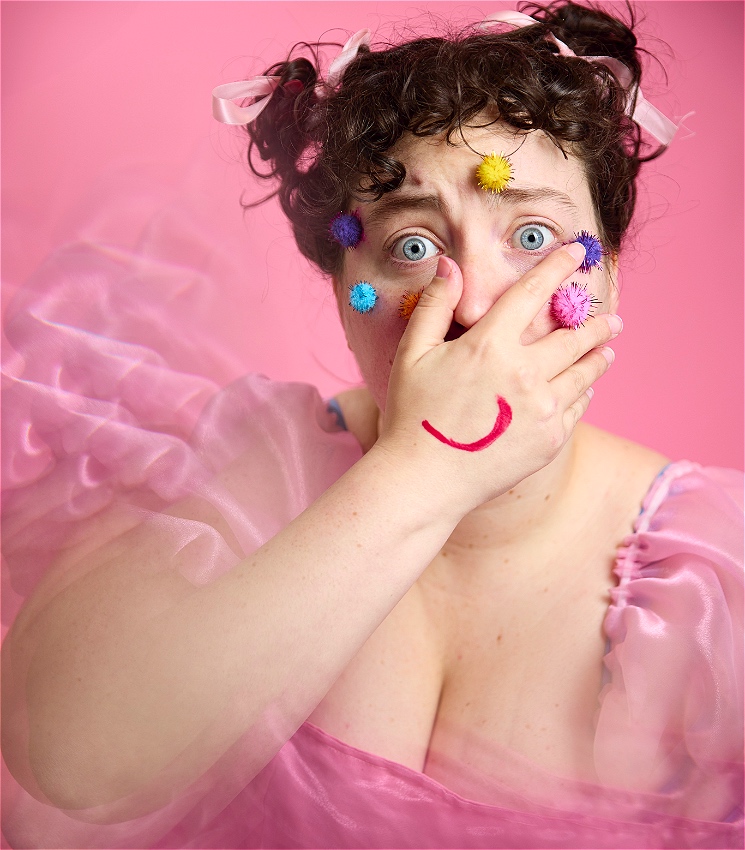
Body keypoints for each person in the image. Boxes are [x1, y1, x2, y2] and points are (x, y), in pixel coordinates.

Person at [1, 2, 742, 847]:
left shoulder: (713, 576)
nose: (468, 303)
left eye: (531, 234)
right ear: (340, 292)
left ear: (608, 271)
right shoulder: (259, 464)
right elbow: (72, 761)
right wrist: (426, 468)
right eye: (413, 247)